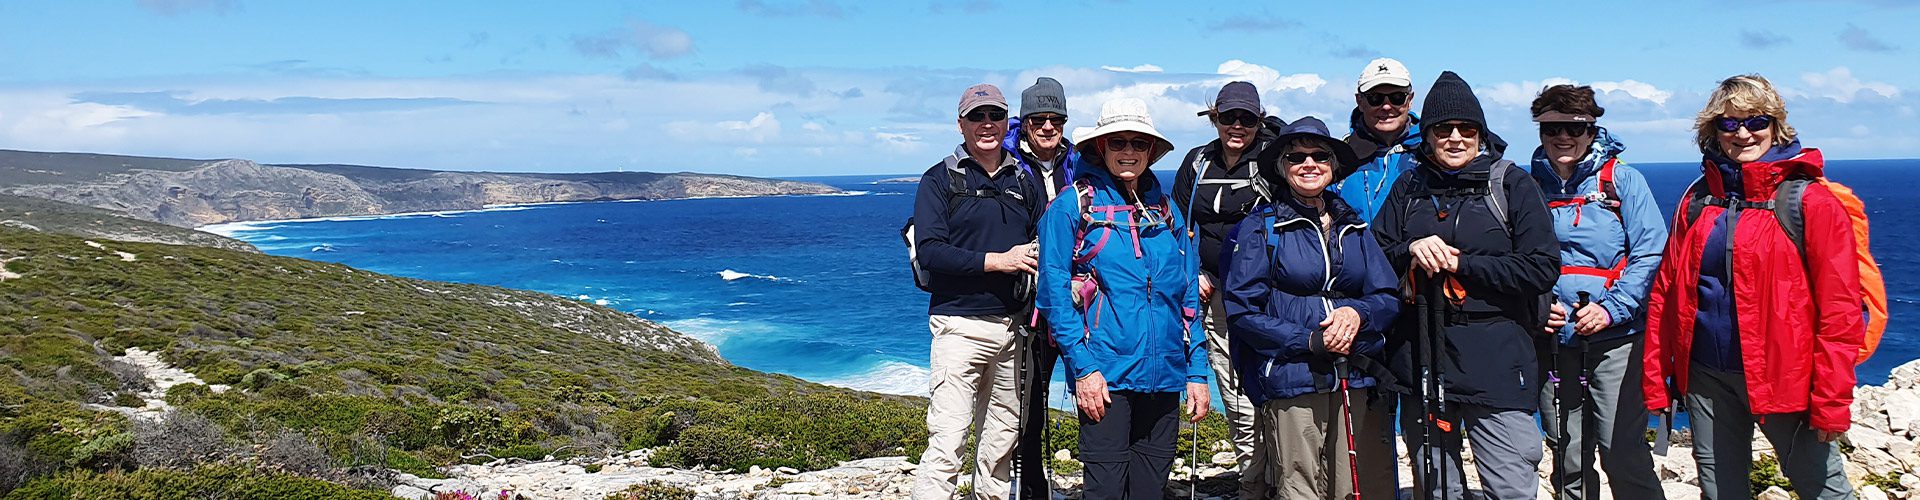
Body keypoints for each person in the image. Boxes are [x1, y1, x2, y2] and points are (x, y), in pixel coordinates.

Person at [1642, 74, 1863, 500]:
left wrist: (1832, 399)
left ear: (1776, 126)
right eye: (1728, 124)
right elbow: (1666, 293)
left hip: (1788, 378)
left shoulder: (1811, 203)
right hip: (1706, 376)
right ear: (1712, 131)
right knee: (1720, 491)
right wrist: (1658, 377)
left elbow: (1841, 311)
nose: (1742, 133)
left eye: (1755, 121)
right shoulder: (1696, 199)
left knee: (1824, 490)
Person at [1371, 71, 1557, 500]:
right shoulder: (1409, 186)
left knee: (1508, 487)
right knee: (1437, 489)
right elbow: (1377, 256)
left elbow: (1542, 268)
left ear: (1481, 133)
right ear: (1428, 135)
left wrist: (1461, 263)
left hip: (1497, 358)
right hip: (1421, 354)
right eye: (1443, 129)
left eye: (1466, 129)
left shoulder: (1510, 184)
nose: (1455, 138)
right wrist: (1411, 249)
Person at [1035, 97, 1209, 499]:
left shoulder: (1166, 211)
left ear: (1150, 151)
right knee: (1106, 491)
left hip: (1165, 375)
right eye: (1117, 143)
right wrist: (1083, 370)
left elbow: (1187, 297)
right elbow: (1053, 296)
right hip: (1105, 375)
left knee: (1150, 491)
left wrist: (1197, 372)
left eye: (1137, 143)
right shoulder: (1072, 206)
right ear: (1101, 148)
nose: (1128, 151)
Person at [1223, 116, 1398, 500]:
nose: (1309, 164)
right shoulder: (1261, 228)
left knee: (1354, 486)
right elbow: (1241, 311)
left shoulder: (1354, 227)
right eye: (1296, 157)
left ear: (1333, 166)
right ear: (1282, 168)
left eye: (1320, 155)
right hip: (1292, 376)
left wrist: (1358, 315)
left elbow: (1387, 296)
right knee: (1299, 486)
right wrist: (1310, 341)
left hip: (1355, 374)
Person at [1527, 84, 1667, 500]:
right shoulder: (1526, 184)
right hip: (1553, 337)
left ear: (1592, 130)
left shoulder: (1622, 180)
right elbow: (1513, 255)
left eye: (1574, 127)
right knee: (1566, 452)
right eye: (1551, 128)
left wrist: (1612, 309)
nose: (1562, 137)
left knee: (1621, 450)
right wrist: (1536, 306)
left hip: (1616, 339)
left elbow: (1650, 252)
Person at [911, 83, 1044, 500]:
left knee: (1002, 441)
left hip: (1015, 328)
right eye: (976, 116)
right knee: (949, 438)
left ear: (1007, 122)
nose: (987, 125)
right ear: (961, 123)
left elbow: (1044, 241)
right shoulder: (939, 179)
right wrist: (999, 260)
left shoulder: (1025, 179)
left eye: (995, 116)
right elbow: (931, 252)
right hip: (958, 325)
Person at [1170, 80, 1275, 498]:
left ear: (1258, 121)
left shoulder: (1270, 162)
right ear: (1214, 118)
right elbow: (1175, 224)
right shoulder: (1197, 163)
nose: (1236, 126)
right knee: (1234, 395)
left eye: (1246, 119)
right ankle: (1254, 482)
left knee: (1271, 391)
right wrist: (1189, 271)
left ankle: (1278, 478)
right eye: (1228, 117)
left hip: (1264, 299)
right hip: (1212, 295)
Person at [1003, 76, 1076, 500]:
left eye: (1055, 119)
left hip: (1074, 295)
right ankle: (1032, 484)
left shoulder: (1079, 162)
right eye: (1038, 119)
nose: (1047, 127)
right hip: (1025, 300)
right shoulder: (1007, 163)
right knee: (1029, 397)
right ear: (1025, 121)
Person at [1334, 57, 1421, 223]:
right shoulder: (1340, 157)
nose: (1386, 106)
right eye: (1375, 98)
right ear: (1360, 101)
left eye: (1397, 97)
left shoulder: (1433, 151)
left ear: (1410, 100)